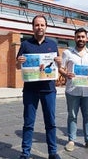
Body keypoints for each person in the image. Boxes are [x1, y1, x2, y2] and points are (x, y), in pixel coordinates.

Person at [16, 15, 62, 159]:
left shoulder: (53, 44)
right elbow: (18, 66)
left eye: (42, 25)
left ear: (46, 27)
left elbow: (57, 66)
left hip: (48, 90)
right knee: (28, 123)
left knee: (51, 123)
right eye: (37, 25)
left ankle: (52, 152)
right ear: (33, 27)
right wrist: (19, 62)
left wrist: (59, 62)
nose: (39, 27)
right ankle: (25, 153)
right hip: (30, 90)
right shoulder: (25, 44)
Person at [59, 27, 88, 152]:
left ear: (86, 38)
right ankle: (71, 140)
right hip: (72, 90)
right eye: (78, 37)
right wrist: (66, 74)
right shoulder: (67, 53)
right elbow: (61, 68)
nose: (80, 39)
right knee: (72, 116)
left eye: (82, 37)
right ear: (74, 38)